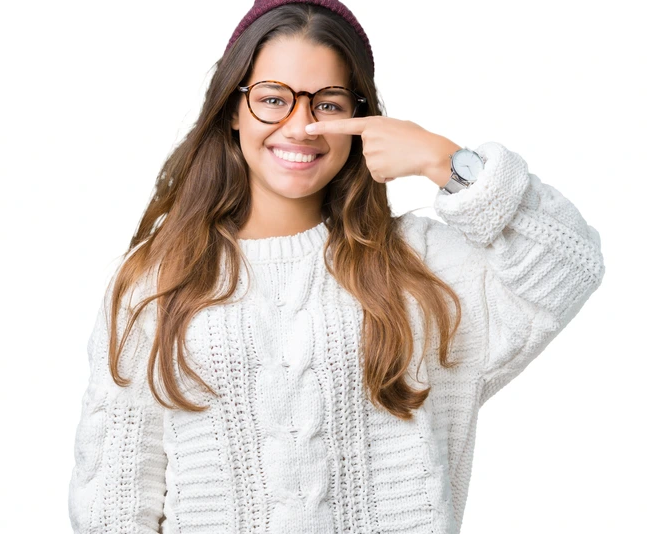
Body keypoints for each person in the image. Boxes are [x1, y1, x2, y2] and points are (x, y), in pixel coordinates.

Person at [69, 1, 604, 531]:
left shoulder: (418, 266)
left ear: (361, 117)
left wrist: (442, 160)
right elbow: (112, 507)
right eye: (272, 99)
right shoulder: (159, 280)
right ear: (233, 108)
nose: (301, 127)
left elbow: (570, 263)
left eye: (327, 104)